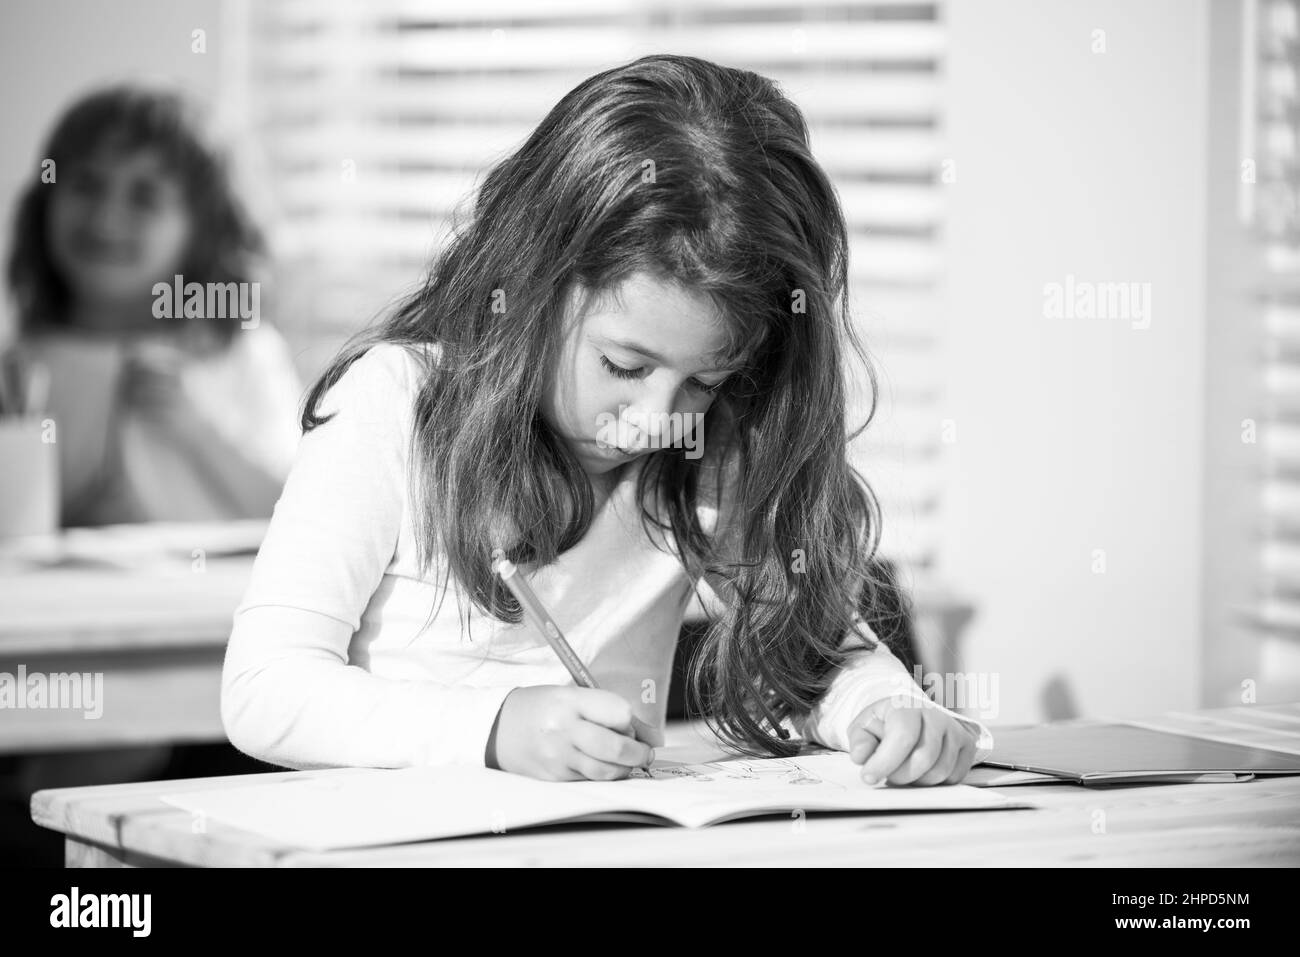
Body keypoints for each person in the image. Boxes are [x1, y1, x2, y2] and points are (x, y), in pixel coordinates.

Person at [221, 55, 993, 785]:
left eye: (706, 380)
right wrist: (493, 729)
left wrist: (891, 710)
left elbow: (815, 655)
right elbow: (264, 690)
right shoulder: (394, 404)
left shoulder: (713, 448)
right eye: (623, 367)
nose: (654, 422)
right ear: (531, 284)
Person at [5, 84, 302, 526]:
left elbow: (300, 507)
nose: (105, 217)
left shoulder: (241, 355)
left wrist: (197, 427)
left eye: (144, 197)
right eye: (85, 184)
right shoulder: (23, 367)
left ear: (204, 232)